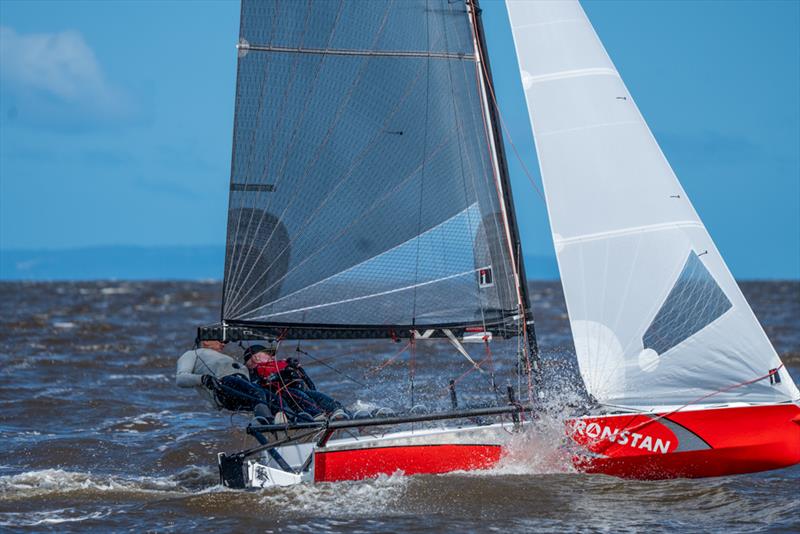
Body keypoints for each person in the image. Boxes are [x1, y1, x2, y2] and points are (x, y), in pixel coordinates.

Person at [175, 340, 277, 420]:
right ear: (206, 341)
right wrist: (203, 379)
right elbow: (180, 378)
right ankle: (271, 425)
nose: (223, 344)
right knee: (257, 394)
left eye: (225, 341)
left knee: (274, 399)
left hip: (242, 385)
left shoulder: (224, 357)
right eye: (220, 340)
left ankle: (289, 423)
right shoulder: (193, 354)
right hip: (223, 386)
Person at [243, 344, 346, 420]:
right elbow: (257, 385)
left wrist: (297, 369)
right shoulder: (249, 374)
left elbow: (311, 387)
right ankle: (316, 415)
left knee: (312, 394)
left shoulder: (280, 364)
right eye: (268, 354)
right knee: (293, 393)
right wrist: (281, 373)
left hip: (299, 396)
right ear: (256, 357)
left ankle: (340, 411)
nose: (273, 356)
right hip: (281, 401)